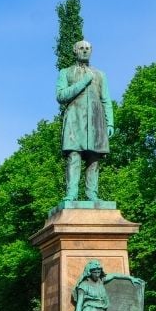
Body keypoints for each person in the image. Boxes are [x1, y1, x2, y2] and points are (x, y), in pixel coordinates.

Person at [57, 40, 114, 202]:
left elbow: (106, 100)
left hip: (96, 120)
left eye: (88, 48)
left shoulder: (100, 74)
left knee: (94, 158)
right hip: (74, 119)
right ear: (75, 51)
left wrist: (110, 122)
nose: (85, 51)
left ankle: (92, 194)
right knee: (74, 156)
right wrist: (84, 82)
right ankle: (71, 194)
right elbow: (61, 96)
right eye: (81, 48)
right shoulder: (65, 72)